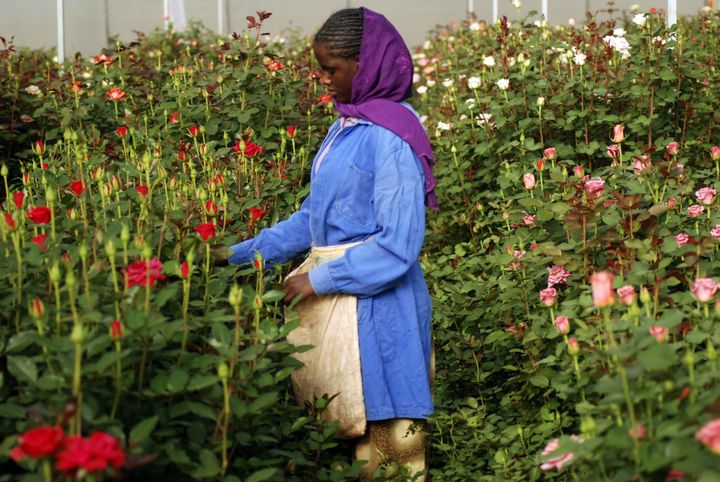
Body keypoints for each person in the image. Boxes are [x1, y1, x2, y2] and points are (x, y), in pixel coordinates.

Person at [227, 7, 437, 479]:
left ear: (367, 64)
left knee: (393, 450)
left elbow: (398, 246)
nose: (323, 79)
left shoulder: (391, 137)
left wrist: (317, 280)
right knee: (350, 435)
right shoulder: (347, 125)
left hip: (381, 315)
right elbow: (312, 219)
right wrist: (235, 255)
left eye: (331, 69)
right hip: (342, 310)